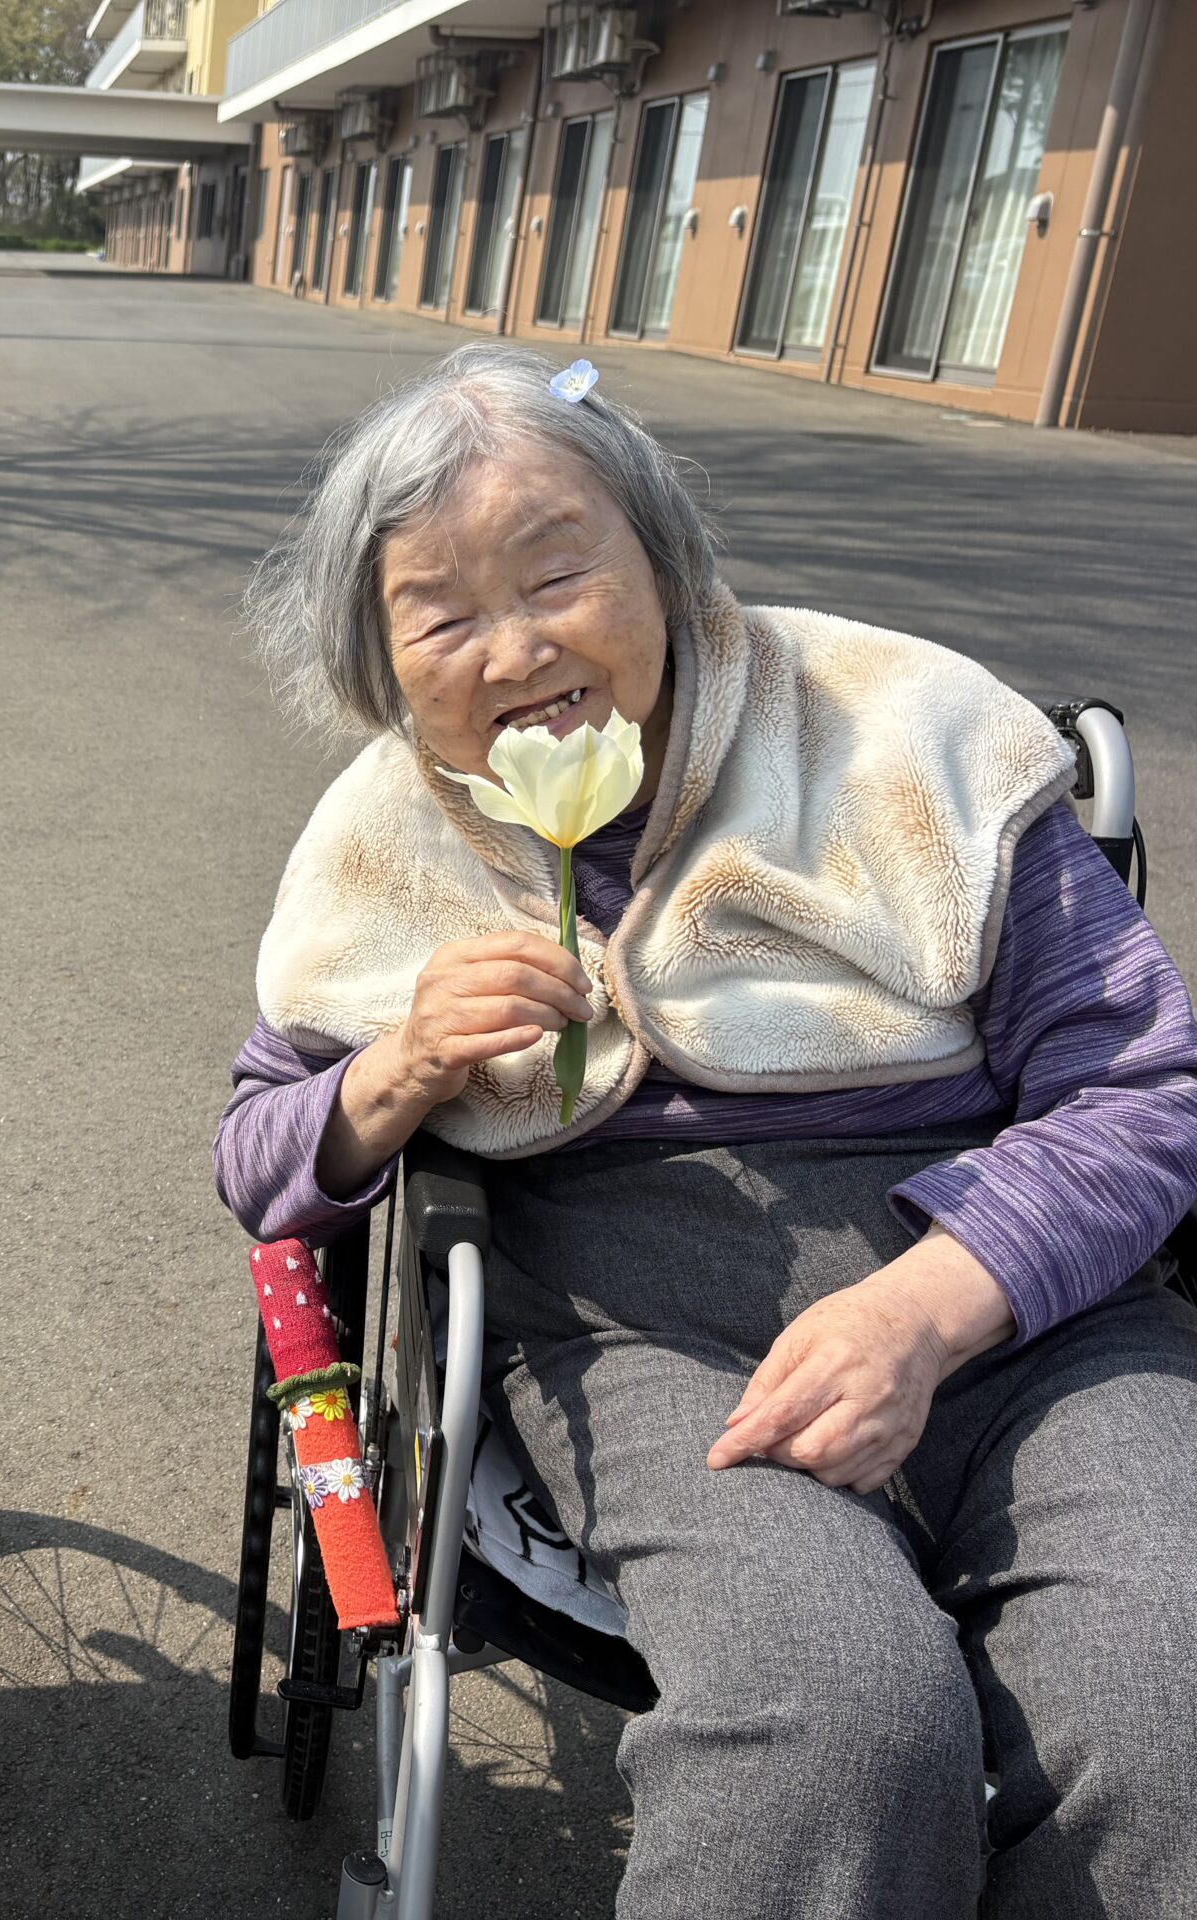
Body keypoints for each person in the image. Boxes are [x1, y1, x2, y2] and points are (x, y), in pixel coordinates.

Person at [218, 341, 1197, 1918]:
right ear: (381, 665)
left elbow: (1142, 1086)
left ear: (666, 563)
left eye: (559, 573)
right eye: (443, 617)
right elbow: (261, 1166)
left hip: (1026, 1312)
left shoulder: (902, 732)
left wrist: (924, 1311)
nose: (519, 647)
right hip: (644, 1337)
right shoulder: (388, 840)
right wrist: (397, 1067)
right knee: (838, 1723)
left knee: (1167, 1708)